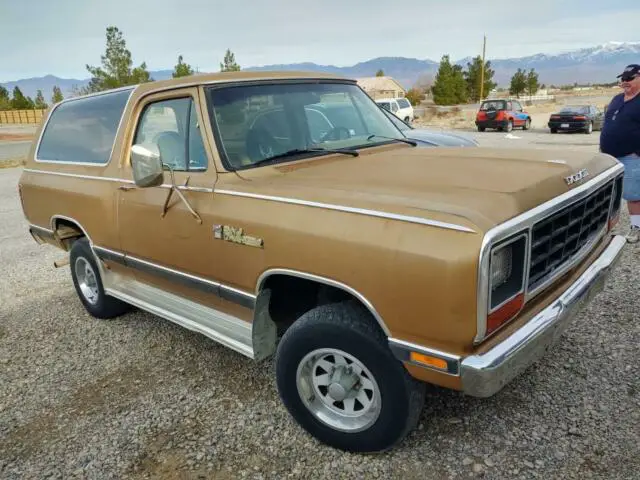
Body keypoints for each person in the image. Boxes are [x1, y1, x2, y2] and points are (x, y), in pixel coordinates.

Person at [600, 64, 640, 243]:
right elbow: (608, 123)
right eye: (622, 78)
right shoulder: (617, 99)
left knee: (634, 196)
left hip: (631, 156)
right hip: (609, 157)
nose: (624, 82)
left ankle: (636, 228)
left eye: (629, 78)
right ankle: (603, 227)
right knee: (608, 194)